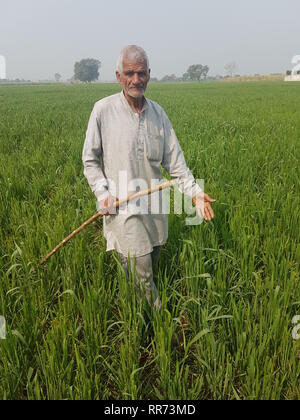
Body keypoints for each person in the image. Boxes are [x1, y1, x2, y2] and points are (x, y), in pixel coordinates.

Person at [82, 45, 216, 310]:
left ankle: (135, 310)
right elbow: (90, 160)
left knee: (150, 264)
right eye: (129, 73)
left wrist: (195, 193)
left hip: (155, 208)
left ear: (149, 75)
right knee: (142, 274)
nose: (135, 79)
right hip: (123, 209)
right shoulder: (103, 111)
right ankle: (162, 326)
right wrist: (102, 193)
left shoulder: (158, 115)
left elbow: (176, 165)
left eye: (141, 73)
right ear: (118, 75)